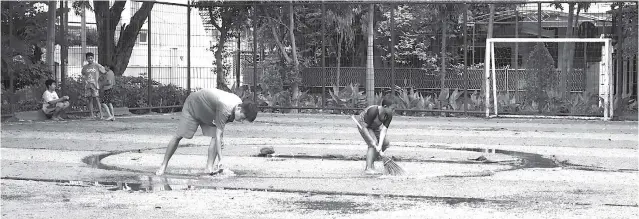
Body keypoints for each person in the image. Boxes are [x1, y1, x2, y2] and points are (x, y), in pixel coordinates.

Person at [156, 88, 259, 176]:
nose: (241, 121)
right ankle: (163, 164)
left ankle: (209, 168)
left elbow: (218, 132)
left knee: (216, 136)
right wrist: (221, 159)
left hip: (209, 110)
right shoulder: (225, 107)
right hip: (194, 105)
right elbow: (219, 135)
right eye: (242, 118)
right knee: (179, 136)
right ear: (239, 108)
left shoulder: (236, 104)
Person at [352, 98, 395, 175]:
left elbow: (383, 130)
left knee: (386, 143)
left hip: (375, 127)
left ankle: (371, 163)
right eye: (392, 108)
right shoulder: (373, 111)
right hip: (364, 126)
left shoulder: (389, 115)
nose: (393, 111)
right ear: (385, 107)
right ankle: (368, 168)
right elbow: (364, 127)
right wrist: (371, 141)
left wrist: (380, 145)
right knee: (373, 143)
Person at [81, 52, 105, 119]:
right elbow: (83, 74)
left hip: (95, 85)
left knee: (97, 99)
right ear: (86, 59)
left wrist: (99, 78)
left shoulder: (97, 66)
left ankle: (101, 115)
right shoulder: (85, 67)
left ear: (93, 58)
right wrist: (85, 80)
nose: (90, 59)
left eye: (91, 58)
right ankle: (92, 115)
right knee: (90, 100)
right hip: (88, 85)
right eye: (88, 58)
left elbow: (103, 71)